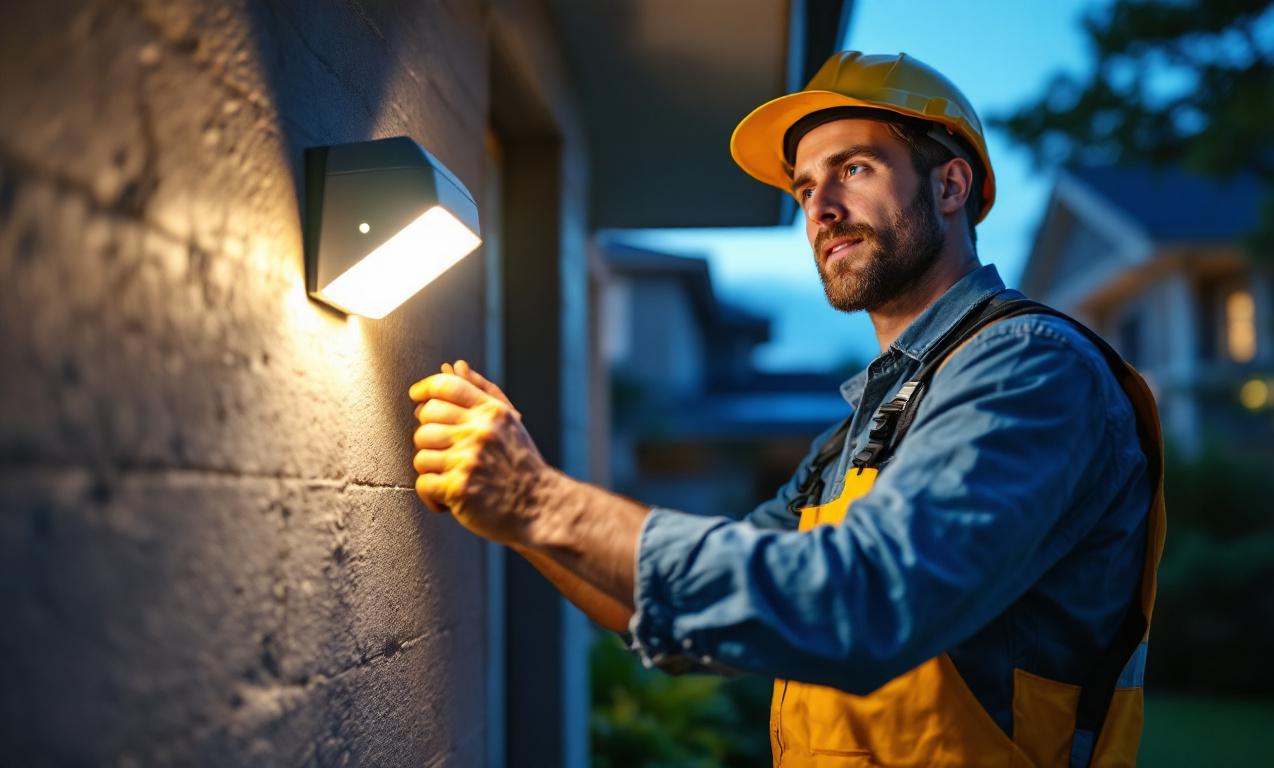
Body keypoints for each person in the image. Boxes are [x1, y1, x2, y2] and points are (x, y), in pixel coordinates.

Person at [409, 51, 1165, 767]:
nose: (822, 209)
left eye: (854, 169)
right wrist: (516, 514)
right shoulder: (858, 431)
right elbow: (699, 619)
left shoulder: (1029, 367)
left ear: (950, 186)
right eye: (805, 188)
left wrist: (540, 501)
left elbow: (866, 600)